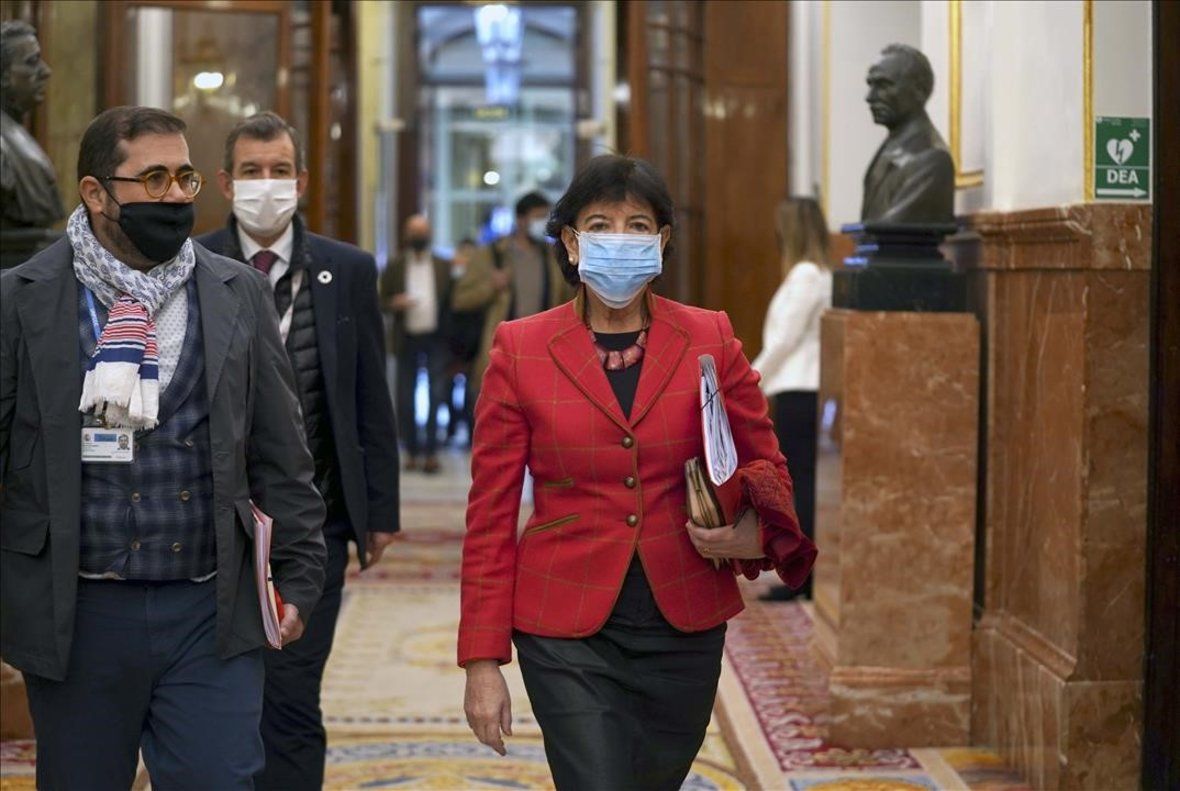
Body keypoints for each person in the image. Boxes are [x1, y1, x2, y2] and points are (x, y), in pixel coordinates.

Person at [458, 155, 818, 790]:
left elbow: (768, 463)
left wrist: (753, 530)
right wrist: (482, 661)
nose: (618, 239)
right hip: (562, 622)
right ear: (570, 242)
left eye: (636, 224)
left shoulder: (710, 337)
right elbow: (490, 512)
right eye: (599, 224)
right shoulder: (521, 348)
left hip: (682, 618)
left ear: (662, 239)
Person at [0, 105, 327, 790]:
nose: (174, 195)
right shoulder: (22, 299)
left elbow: (281, 451)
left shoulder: (235, 291)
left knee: (221, 777)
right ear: (96, 192)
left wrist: (298, 577)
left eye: (183, 177)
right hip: (78, 616)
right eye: (152, 178)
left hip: (209, 609)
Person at [195, 110, 401, 790]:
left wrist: (380, 509)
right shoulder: (192, 266)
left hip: (315, 525)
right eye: (251, 171)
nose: (266, 184)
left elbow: (371, 394)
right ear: (225, 182)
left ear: (301, 181)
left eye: (279, 170)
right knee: (220, 697)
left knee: (290, 693)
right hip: (211, 528)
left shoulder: (346, 270)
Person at [751, 197, 833, 603]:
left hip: (800, 387)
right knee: (802, 482)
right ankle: (804, 574)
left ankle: (804, 575)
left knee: (800, 485)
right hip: (803, 387)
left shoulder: (805, 275)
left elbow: (784, 340)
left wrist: (749, 380)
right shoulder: (818, 274)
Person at [451, 191, 574, 393]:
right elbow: (460, 299)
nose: (542, 223)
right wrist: (491, 286)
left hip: (544, 351)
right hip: (502, 351)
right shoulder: (490, 255)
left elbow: (568, 301)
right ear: (520, 219)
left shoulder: (553, 258)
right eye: (537, 217)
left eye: (545, 217)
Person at [378, 214, 452, 474]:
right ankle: (410, 450)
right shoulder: (396, 265)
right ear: (407, 235)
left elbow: (452, 299)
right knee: (406, 395)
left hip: (436, 338)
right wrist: (393, 303)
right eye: (414, 231)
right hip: (406, 336)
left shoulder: (443, 265)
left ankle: (431, 452)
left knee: (436, 394)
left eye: (423, 231)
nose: (419, 236)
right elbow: (380, 299)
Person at [861, 43, 954, 223]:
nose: (870, 96)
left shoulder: (930, 159)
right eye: (871, 85)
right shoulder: (889, 149)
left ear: (918, 90)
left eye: (884, 85)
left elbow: (889, 231)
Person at [445, 237, 481, 446]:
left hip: (473, 346)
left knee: (471, 393)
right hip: (452, 345)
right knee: (448, 391)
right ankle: (450, 429)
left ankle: (470, 433)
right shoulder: (450, 282)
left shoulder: (478, 284)